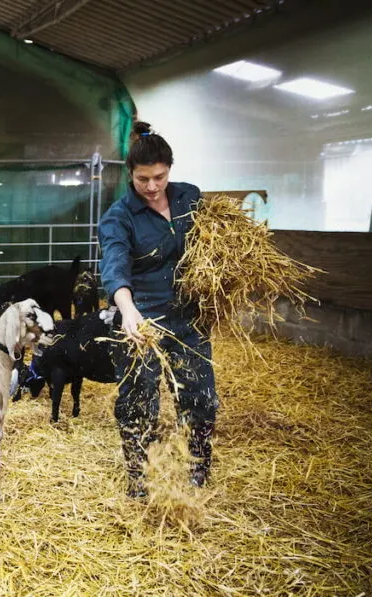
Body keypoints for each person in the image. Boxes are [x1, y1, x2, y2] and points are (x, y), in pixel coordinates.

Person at [97, 121, 219, 498]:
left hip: (188, 318)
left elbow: (214, 244)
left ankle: (196, 469)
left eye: (160, 177)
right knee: (138, 402)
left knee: (200, 397)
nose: (152, 187)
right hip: (140, 320)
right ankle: (140, 477)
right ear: (130, 175)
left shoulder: (189, 199)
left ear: (170, 169)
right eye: (143, 179)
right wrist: (127, 308)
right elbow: (115, 266)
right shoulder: (119, 217)